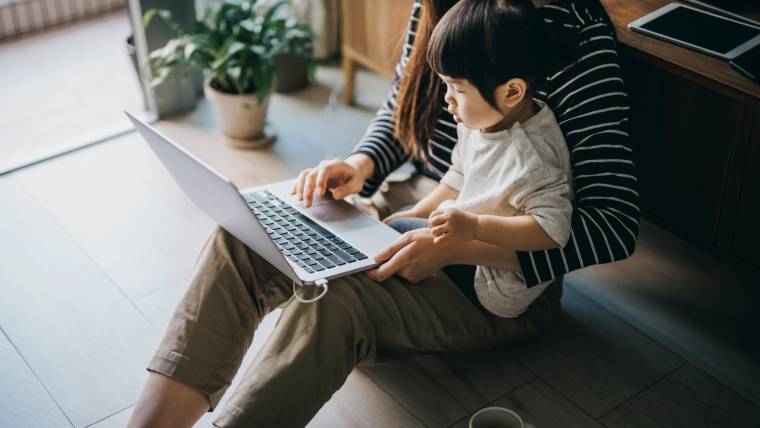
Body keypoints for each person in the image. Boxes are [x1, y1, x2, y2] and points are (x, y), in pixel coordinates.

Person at [127, 0, 639, 426]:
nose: (451, 100)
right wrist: (360, 164)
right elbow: (407, 104)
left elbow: (612, 227)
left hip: (496, 275)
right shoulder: (444, 9)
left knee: (337, 297)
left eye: (459, 89)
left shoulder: (573, 35)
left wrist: (460, 244)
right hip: (421, 209)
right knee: (244, 232)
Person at [383, 0, 576, 319]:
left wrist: (474, 226)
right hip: (470, 237)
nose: (446, 98)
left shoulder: (531, 160)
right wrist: (419, 211)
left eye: (456, 88)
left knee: (398, 235)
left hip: (496, 284)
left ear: (512, 92)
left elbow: (551, 232)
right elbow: (459, 176)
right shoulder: (483, 119)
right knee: (404, 218)